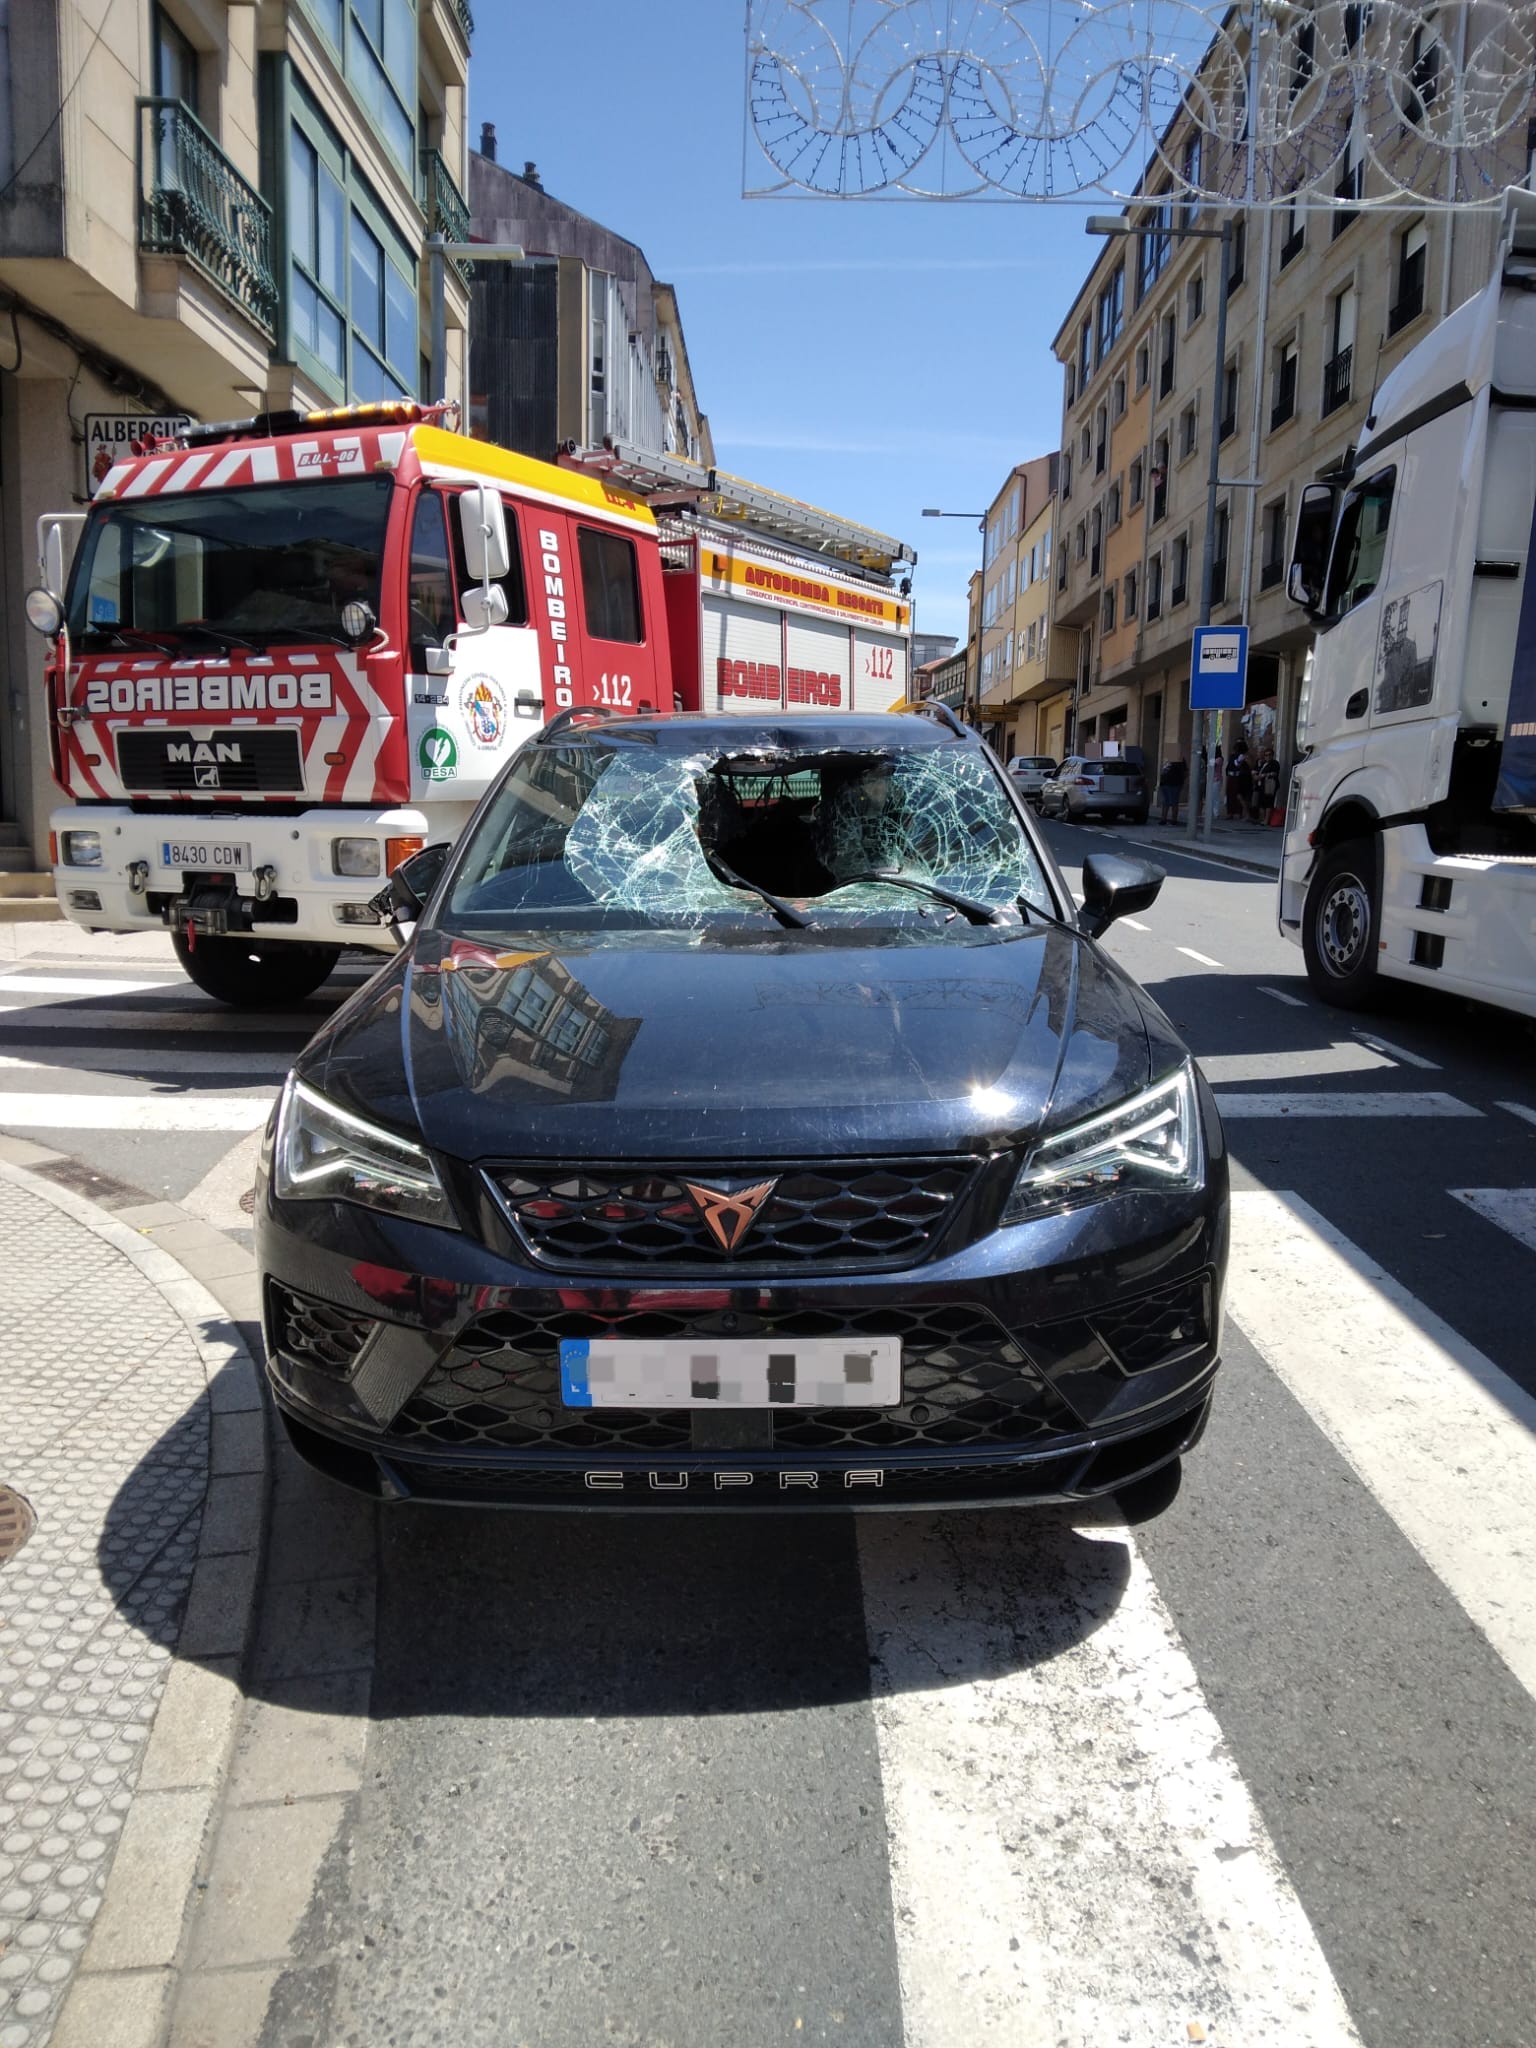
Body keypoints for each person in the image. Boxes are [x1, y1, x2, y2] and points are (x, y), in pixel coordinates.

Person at [1157, 753, 1186, 826]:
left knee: (1174, 802)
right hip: (1165, 784)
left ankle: (1174, 820)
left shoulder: (1179, 759)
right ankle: (1163, 819)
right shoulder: (1167, 759)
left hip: (1174, 784)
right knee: (1165, 802)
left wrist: (1181, 782)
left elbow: (1185, 771)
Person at [1225, 744, 1252, 820]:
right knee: (1233, 795)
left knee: (1239, 796)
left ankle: (1243, 813)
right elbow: (1232, 765)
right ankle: (1233, 813)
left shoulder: (1244, 757)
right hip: (1237, 776)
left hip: (1241, 777)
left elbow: (1238, 765)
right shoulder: (1234, 756)